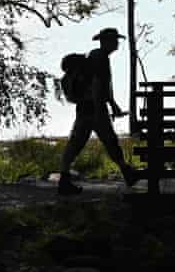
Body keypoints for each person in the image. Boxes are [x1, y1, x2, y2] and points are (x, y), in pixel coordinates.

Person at [58, 27, 139, 194]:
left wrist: (112, 103)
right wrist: (99, 108)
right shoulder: (100, 58)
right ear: (106, 41)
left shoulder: (96, 57)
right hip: (94, 108)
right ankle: (127, 172)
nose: (117, 43)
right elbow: (96, 83)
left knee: (79, 143)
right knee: (108, 141)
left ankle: (64, 181)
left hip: (86, 108)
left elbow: (103, 86)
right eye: (114, 39)